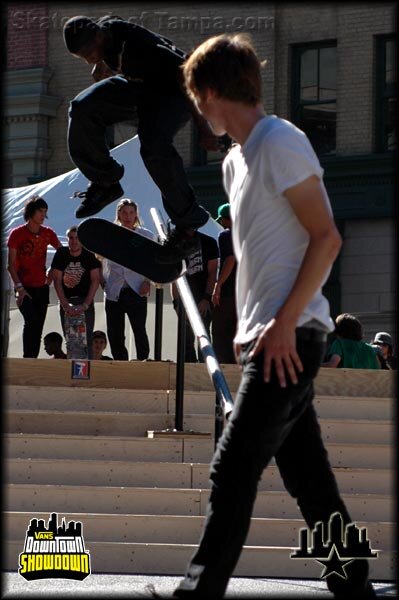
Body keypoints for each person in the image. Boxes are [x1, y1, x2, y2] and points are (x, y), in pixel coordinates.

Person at [171, 33, 376, 598]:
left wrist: (281, 323)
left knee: (231, 471)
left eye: (197, 99)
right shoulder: (237, 162)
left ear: (210, 92)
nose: (198, 113)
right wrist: (246, 325)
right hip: (269, 335)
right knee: (309, 480)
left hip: (293, 336)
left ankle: (198, 590)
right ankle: (353, 582)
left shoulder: (280, 141)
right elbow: (260, 254)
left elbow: (326, 238)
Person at [62, 15, 222, 263]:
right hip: (139, 89)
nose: (89, 60)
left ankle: (187, 228)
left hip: (175, 93)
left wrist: (204, 128)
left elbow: (185, 74)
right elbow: (110, 28)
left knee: (154, 145)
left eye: (89, 53)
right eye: (83, 58)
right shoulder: (105, 33)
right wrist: (101, 63)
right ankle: (106, 181)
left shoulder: (140, 48)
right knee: (83, 107)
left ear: (99, 37)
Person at [7, 195, 62, 358]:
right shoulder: (16, 234)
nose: (43, 215)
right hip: (23, 287)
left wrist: (51, 272)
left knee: (37, 326)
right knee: (30, 321)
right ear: (31, 212)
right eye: (40, 211)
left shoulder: (48, 233)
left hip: (41, 287)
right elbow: (10, 265)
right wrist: (19, 288)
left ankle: (32, 360)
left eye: (45, 211)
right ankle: (27, 358)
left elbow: (62, 253)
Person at [101, 199, 153, 361]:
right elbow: (99, 259)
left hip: (137, 288)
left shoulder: (146, 235)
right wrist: (103, 283)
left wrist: (148, 281)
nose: (128, 216)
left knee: (139, 329)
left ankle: (143, 362)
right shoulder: (109, 234)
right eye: (124, 212)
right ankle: (120, 362)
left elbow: (153, 262)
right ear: (118, 214)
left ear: (136, 214)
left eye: (131, 212)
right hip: (114, 290)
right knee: (115, 332)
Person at [51, 226, 101, 359]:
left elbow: (95, 280)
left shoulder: (90, 254)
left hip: (84, 300)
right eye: (71, 238)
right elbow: (57, 280)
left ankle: (86, 374)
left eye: (77, 238)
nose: (74, 241)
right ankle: (73, 374)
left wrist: (85, 305)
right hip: (66, 301)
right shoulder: (61, 253)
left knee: (86, 338)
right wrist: (65, 305)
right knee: (71, 339)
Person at [171, 231, 218, 363]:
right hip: (183, 299)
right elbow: (173, 275)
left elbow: (213, 273)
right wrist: (176, 303)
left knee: (203, 336)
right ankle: (187, 373)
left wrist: (206, 298)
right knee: (186, 339)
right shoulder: (175, 242)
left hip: (203, 298)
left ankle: (205, 370)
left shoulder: (209, 242)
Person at [211, 203, 237, 364]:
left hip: (229, 292)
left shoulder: (226, 235)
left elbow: (230, 259)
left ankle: (222, 366)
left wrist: (218, 285)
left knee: (220, 331)